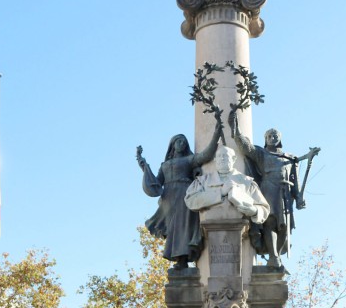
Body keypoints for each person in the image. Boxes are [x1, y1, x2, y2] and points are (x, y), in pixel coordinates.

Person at [229, 112, 320, 267]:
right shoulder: (262, 154)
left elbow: (295, 182)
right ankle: (273, 256)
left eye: (275, 135)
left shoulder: (290, 158)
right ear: (265, 139)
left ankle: (277, 254)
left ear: (280, 138)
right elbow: (246, 147)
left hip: (284, 193)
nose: (272, 137)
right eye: (269, 136)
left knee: (284, 227)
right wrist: (236, 130)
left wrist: (299, 198)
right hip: (268, 190)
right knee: (269, 222)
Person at [136, 128, 220, 268]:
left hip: (184, 195)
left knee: (183, 226)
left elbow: (206, 155)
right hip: (168, 199)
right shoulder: (164, 165)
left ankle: (182, 259)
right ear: (172, 144)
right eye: (179, 141)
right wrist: (144, 166)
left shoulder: (189, 159)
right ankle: (177, 257)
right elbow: (157, 183)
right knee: (172, 228)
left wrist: (216, 135)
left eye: (184, 142)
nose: (182, 143)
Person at [184, 144, 269, 224]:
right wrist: (220, 193)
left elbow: (264, 208)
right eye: (219, 156)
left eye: (226, 156)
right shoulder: (202, 181)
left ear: (234, 159)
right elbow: (190, 200)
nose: (222, 158)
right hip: (209, 228)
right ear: (215, 160)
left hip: (240, 229)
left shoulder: (247, 182)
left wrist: (254, 211)